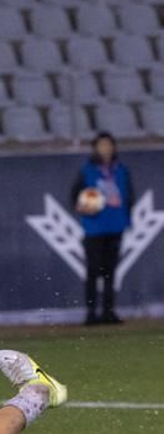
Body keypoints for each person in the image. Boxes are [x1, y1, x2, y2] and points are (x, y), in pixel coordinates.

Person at [72, 132, 135, 325]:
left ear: (113, 148)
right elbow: (74, 196)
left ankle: (109, 312)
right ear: (95, 148)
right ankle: (91, 313)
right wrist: (82, 206)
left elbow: (130, 196)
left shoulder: (121, 170)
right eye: (101, 145)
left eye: (108, 145)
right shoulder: (87, 171)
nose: (106, 149)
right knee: (93, 271)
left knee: (110, 272)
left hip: (115, 227)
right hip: (94, 228)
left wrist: (126, 218)